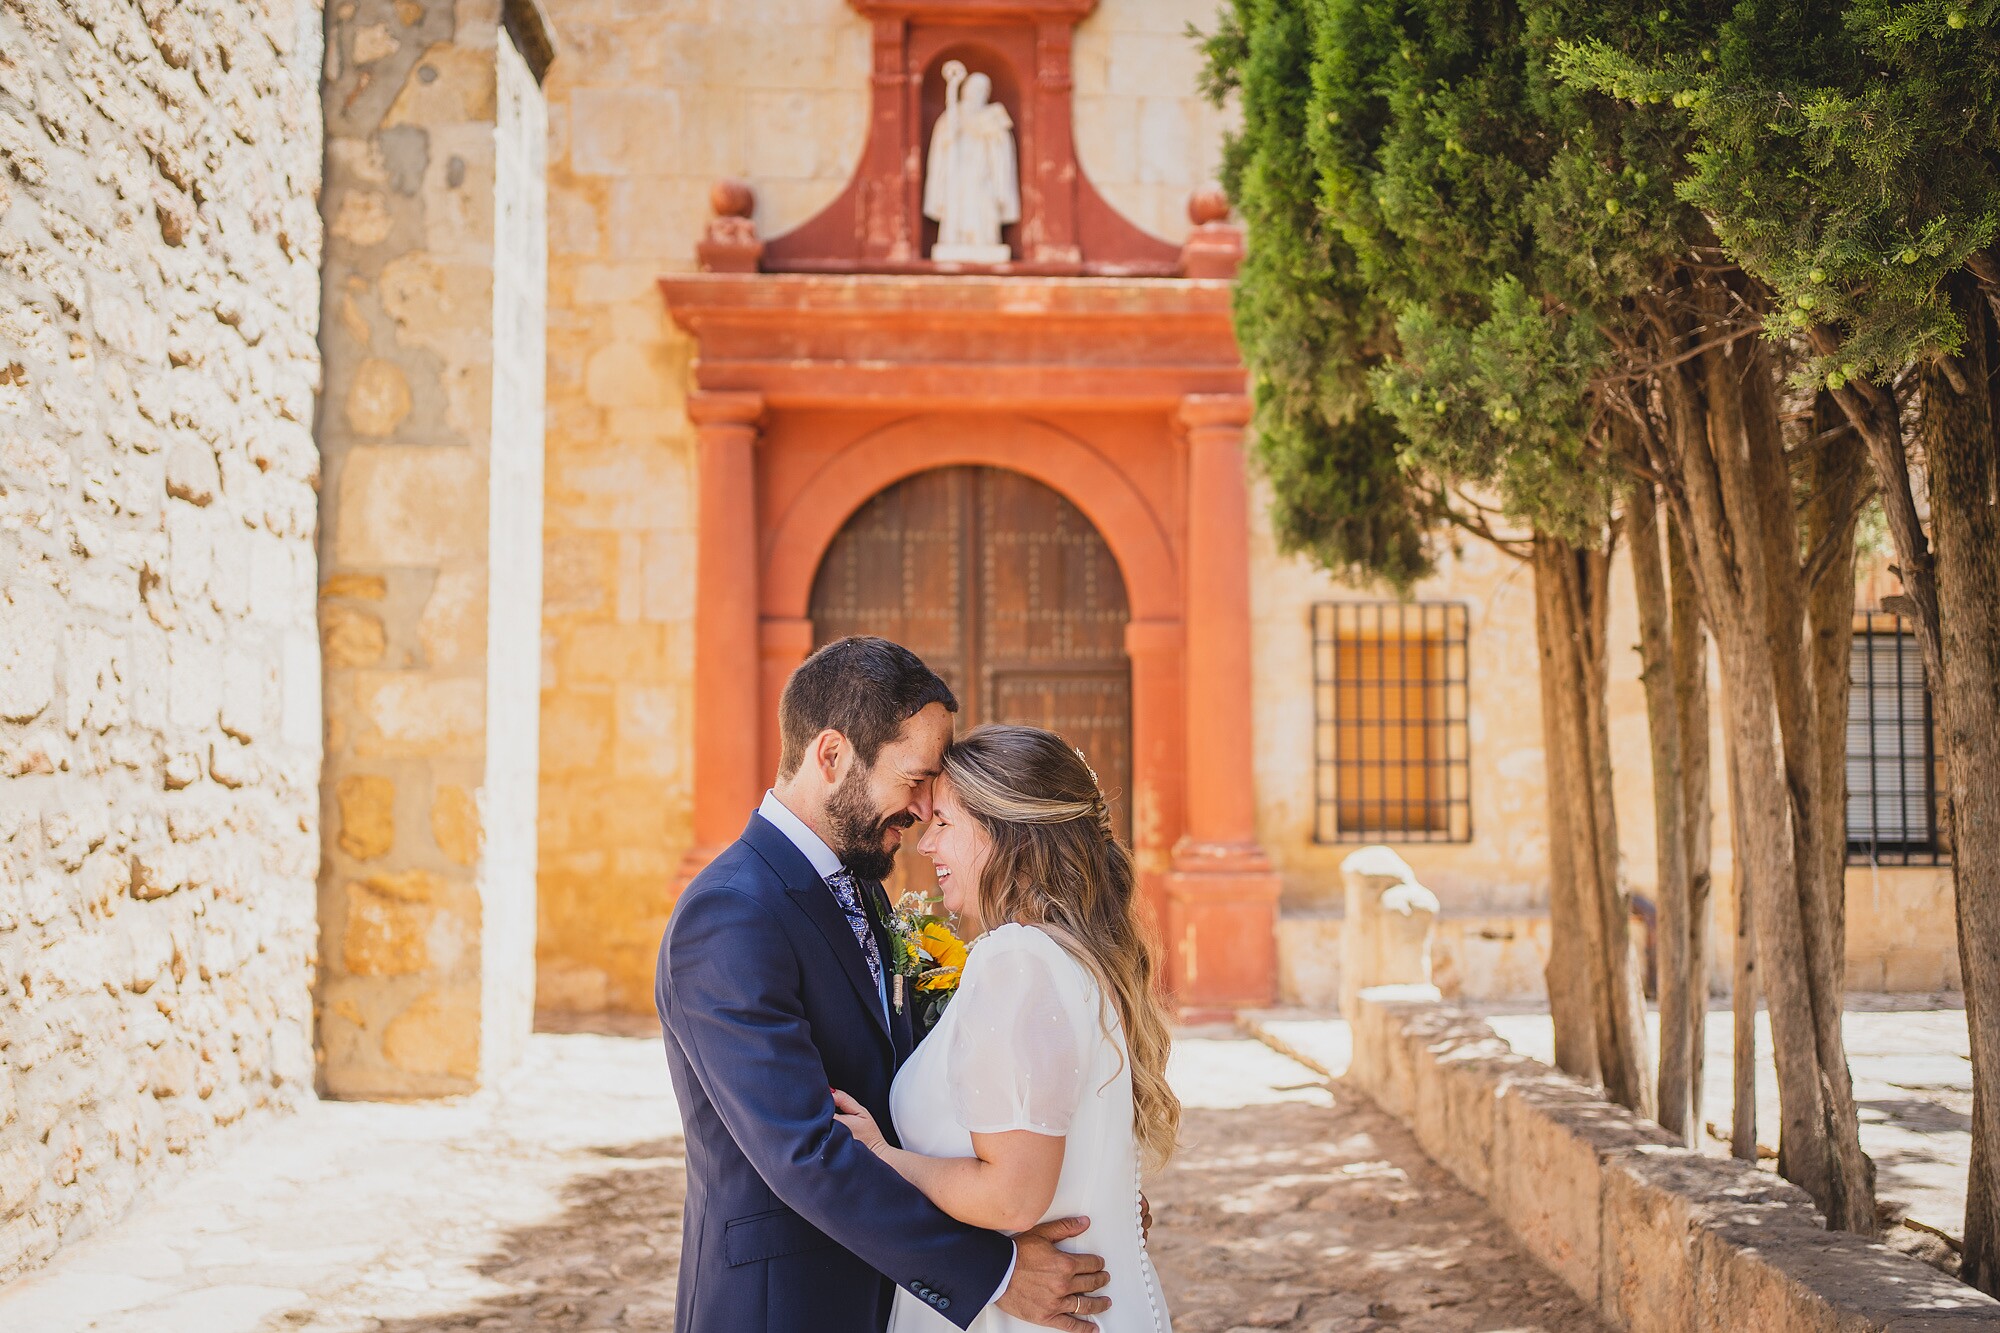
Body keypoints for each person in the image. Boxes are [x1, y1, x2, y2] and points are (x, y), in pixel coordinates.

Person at [657, 638, 1113, 1333]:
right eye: (916, 778)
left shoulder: (864, 887)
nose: (927, 807)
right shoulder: (731, 913)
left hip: (889, 1296)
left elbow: (941, 1091)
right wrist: (994, 1273)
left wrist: (1084, 1193)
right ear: (831, 756)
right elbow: (805, 1150)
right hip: (786, 1306)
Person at [833, 725, 1179, 1333]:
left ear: (1006, 833)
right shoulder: (1075, 958)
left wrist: (882, 1158)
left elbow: (1012, 1197)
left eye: (944, 822)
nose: (925, 844)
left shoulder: (1017, 959)